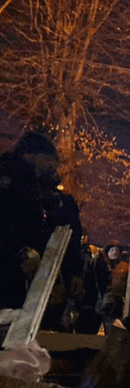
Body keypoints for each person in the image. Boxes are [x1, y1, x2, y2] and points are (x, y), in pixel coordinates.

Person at [0, 132, 84, 328]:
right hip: (14, 271)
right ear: (31, 156)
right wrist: (20, 251)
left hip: (39, 276)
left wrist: (73, 272)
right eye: (48, 159)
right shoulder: (14, 185)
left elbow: (68, 235)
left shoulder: (51, 196)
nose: (53, 166)